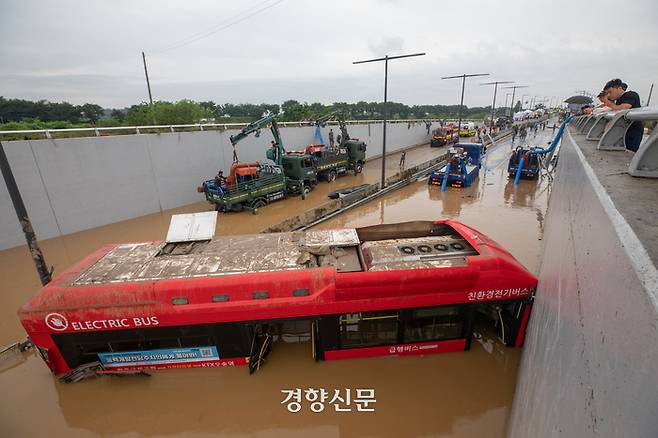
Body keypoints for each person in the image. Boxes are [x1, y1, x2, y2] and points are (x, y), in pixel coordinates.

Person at [603, 78, 643, 152]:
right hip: (623, 129)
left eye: (610, 92)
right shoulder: (618, 100)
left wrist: (609, 103)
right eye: (607, 93)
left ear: (619, 88)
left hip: (633, 131)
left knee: (630, 152)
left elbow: (622, 109)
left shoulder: (631, 95)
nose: (609, 95)